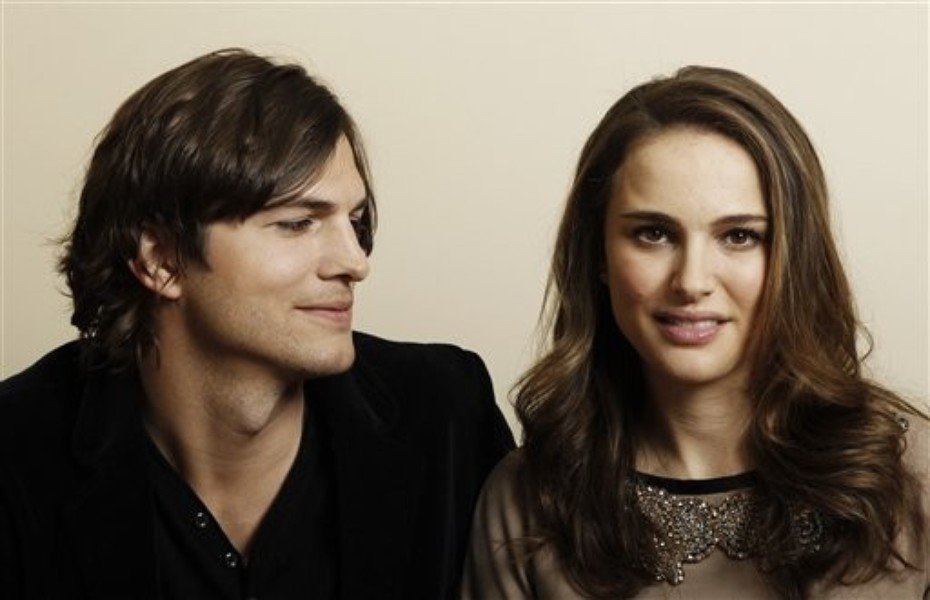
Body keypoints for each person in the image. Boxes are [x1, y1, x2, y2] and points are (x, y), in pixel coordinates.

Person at [0, 48, 514, 599]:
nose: (355, 262)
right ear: (161, 259)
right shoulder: (15, 455)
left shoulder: (445, 415)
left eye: (356, 221)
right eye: (297, 223)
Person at [462, 66, 928, 598]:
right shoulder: (528, 503)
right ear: (598, 254)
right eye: (653, 234)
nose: (691, 281)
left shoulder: (912, 478)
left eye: (739, 236)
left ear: (794, 257)